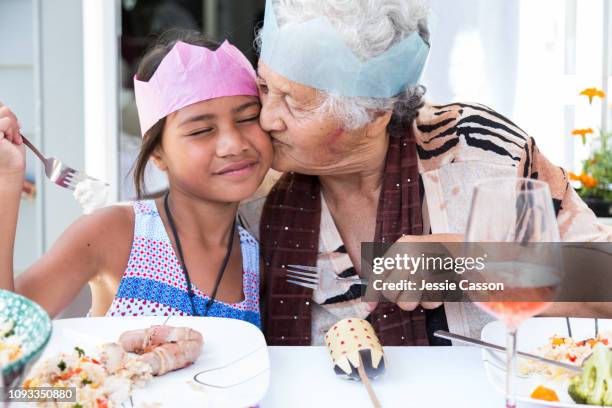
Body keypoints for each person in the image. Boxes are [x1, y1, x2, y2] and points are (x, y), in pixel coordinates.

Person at [237, 0, 612, 345]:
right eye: (266, 87)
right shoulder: (251, 187)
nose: (267, 119)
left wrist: (468, 265)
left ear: (373, 115)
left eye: (293, 104)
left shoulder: (480, 151)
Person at [0, 32, 272, 328]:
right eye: (200, 130)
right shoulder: (116, 232)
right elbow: (9, 333)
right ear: (157, 153)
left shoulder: (257, 256)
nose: (233, 144)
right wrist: (6, 181)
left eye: (248, 118)